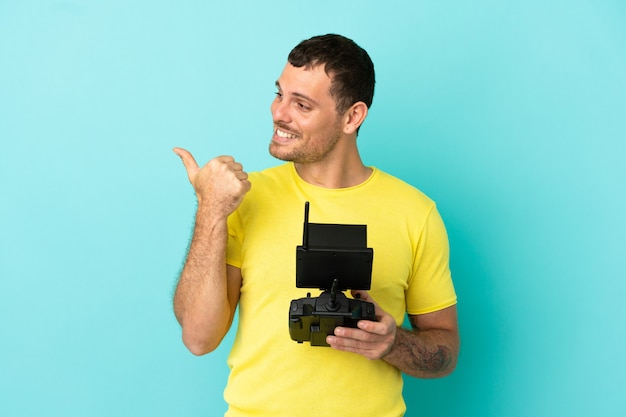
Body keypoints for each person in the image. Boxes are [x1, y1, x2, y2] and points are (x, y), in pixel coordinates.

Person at [172, 34, 459, 417]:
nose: (278, 113)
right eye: (279, 94)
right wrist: (210, 209)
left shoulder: (415, 213)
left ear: (352, 116)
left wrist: (391, 344)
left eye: (301, 104)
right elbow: (198, 338)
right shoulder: (243, 199)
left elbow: (445, 352)